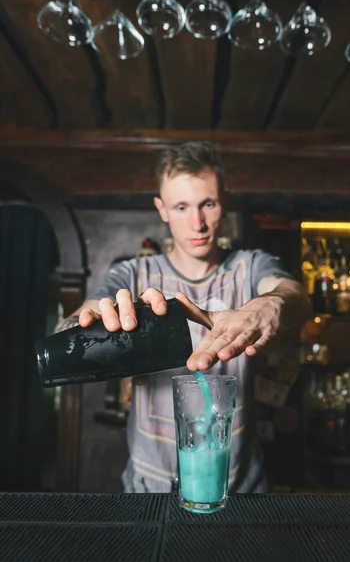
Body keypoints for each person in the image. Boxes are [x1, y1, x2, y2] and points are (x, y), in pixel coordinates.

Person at [58, 141, 311, 493]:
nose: (198, 222)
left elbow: (295, 296)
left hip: (238, 485)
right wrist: (85, 325)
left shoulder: (250, 266)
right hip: (151, 484)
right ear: (162, 209)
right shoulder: (133, 274)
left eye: (208, 203)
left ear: (224, 201)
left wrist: (271, 304)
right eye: (181, 206)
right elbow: (73, 321)